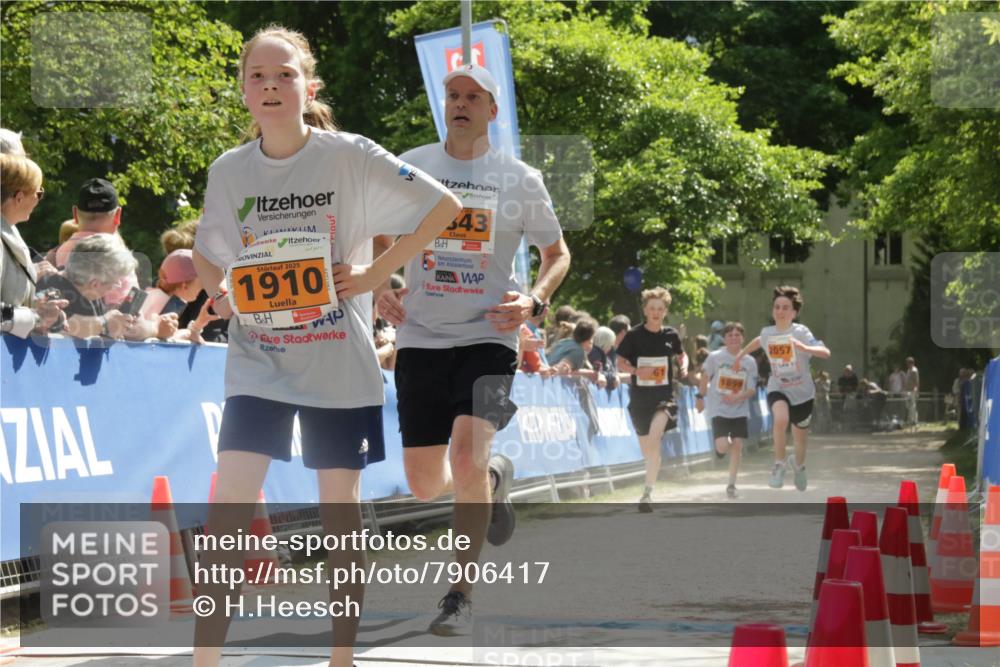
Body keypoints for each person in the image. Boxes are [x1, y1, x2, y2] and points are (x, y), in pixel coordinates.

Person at [190, 26, 460, 667]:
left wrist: (373, 273)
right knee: (228, 511)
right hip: (259, 363)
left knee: (340, 511)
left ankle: (342, 657)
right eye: (258, 76)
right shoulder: (229, 171)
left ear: (308, 87)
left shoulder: (349, 155)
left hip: (339, 364)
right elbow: (206, 250)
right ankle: (204, 660)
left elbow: (444, 206)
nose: (271, 86)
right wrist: (224, 293)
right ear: (243, 91)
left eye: (284, 74)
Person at [375, 62, 570, 635]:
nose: (460, 104)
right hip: (421, 336)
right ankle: (492, 478)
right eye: (453, 95)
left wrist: (533, 301)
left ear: (492, 109)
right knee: (423, 484)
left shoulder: (520, 178)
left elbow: (557, 253)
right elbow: (377, 229)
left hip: (490, 335)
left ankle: (459, 593)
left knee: (465, 457)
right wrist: (384, 282)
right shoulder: (412, 167)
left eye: (473, 97)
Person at [734, 285, 830, 491]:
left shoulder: (801, 332)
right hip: (778, 386)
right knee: (780, 418)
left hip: (802, 393)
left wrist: (804, 348)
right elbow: (758, 341)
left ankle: (799, 466)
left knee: (800, 440)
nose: (780, 311)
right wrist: (740, 356)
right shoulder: (768, 333)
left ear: (794, 313)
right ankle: (778, 465)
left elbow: (825, 352)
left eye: (786, 307)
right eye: (777, 307)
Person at [616, 286, 687, 513]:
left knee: (655, 439)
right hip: (640, 399)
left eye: (660, 309)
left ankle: (647, 493)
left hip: (664, 397)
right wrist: (637, 371)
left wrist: (683, 365)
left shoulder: (671, 335)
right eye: (652, 308)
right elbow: (620, 363)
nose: (656, 313)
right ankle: (651, 481)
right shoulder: (634, 336)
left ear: (665, 311)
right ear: (645, 310)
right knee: (648, 451)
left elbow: (682, 355)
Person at [35, 234, 138, 339]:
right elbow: (63, 325)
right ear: (95, 284)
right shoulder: (49, 288)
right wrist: (105, 324)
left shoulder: (88, 293)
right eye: (115, 283)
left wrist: (118, 322)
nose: (118, 285)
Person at [696, 322, 758, 498]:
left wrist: (736, 397)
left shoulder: (750, 361)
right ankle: (720, 450)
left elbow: (752, 389)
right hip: (719, 408)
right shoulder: (715, 357)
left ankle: (731, 484)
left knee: (737, 444)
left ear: (743, 338)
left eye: (737, 335)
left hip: (739, 409)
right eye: (730, 335)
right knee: (723, 447)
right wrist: (700, 397)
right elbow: (705, 376)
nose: (734, 338)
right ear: (724, 338)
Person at [140, 249, 218, 344]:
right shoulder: (163, 302)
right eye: (201, 282)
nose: (203, 287)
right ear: (184, 286)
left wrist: (197, 326)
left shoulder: (156, 295)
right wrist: (188, 333)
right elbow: (156, 343)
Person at [904, 356, 920, 430]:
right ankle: (912, 420)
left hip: (912, 391)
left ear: (911, 363)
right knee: (908, 405)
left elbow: (916, 381)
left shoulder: (914, 370)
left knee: (913, 406)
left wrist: (915, 390)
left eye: (908, 363)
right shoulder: (908, 370)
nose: (907, 364)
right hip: (908, 390)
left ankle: (913, 421)